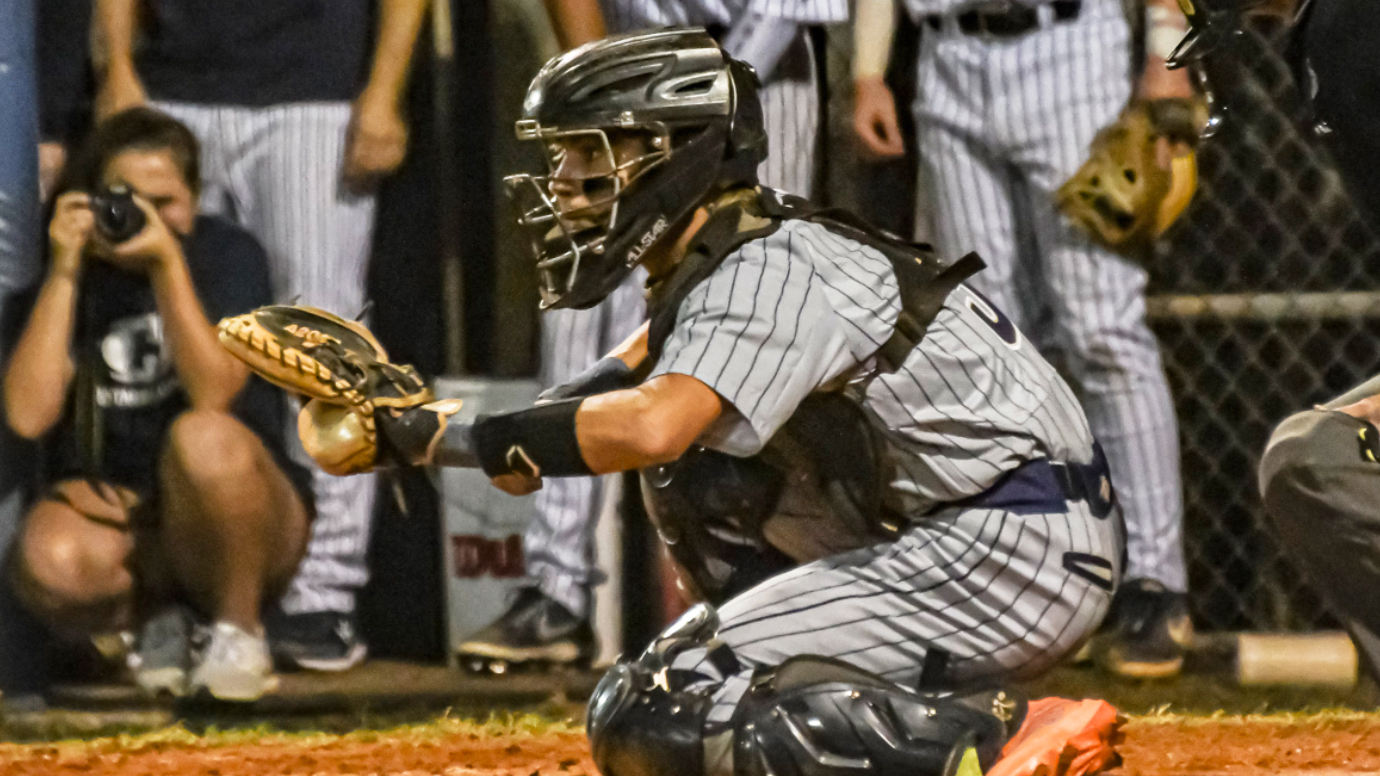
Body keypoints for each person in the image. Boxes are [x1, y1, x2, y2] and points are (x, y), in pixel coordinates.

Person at [248, 29, 1127, 775]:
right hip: (982, 530)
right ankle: (892, 692)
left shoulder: (763, 269)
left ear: (682, 149)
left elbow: (649, 421)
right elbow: (630, 379)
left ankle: (1000, 738)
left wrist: (436, 437)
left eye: (595, 153)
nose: (567, 183)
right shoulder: (734, 245)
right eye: (565, 157)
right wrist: (491, 433)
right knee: (695, 487)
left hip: (1006, 552)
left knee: (655, 712)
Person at [457, 0, 848, 672]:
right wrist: (599, 86)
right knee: (577, 312)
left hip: (761, 70)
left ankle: (772, 588)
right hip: (630, 69)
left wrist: (707, 102)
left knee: (748, 312)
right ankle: (556, 591)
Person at [851, 0, 1198, 678]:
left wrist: (1167, 50)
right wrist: (868, 71)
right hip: (945, 57)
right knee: (989, 342)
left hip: (1070, 50)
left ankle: (1155, 586)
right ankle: (1028, 579)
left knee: (1101, 329)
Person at [92, 0, 429, 671]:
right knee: (169, 330)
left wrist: (384, 89)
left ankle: (322, 593)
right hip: (177, 84)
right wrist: (118, 63)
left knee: (323, 337)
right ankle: (186, 591)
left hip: (313, 90)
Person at [3, 107, 314, 702]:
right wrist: (65, 270)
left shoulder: (226, 257)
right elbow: (27, 415)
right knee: (48, 559)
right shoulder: (70, 271)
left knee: (200, 437)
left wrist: (167, 263)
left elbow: (214, 393)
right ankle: (154, 629)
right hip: (132, 523)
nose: (147, 217)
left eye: (165, 201)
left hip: (242, 513)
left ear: (196, 201)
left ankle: (237, 632)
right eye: (126, 199)